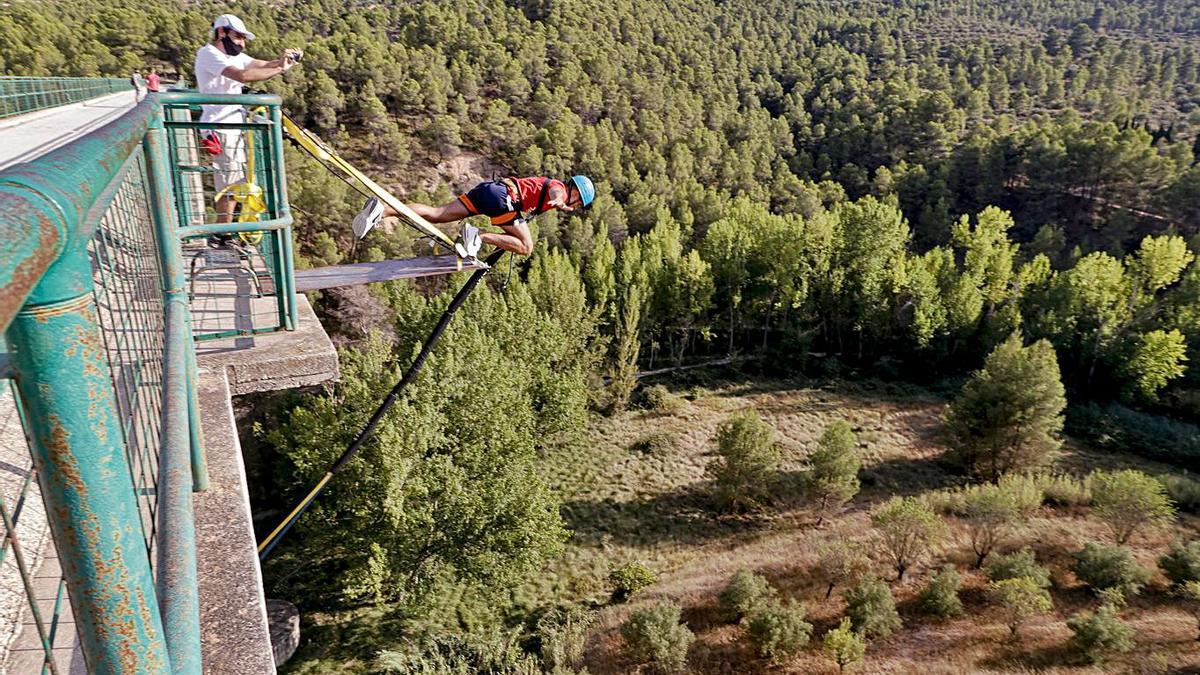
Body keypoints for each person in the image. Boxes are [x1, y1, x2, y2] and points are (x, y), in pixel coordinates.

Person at [194, 14, 301, 226]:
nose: (242, 43)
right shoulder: (209, 54)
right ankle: (223, 234)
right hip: (220, 128)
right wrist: (279, 68)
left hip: (231, 127)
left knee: (234, 184)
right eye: (238, 37)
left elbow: (260, 64)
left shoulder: (234, 56)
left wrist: (283, 61)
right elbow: (243, 76)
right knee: (229, 186)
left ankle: (227, 231)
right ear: (221, 32)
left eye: (243, 38)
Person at [352, 175, 595, 258]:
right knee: (525, 247)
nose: (575, 205)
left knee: (437, 214)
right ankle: (476, 235)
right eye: (578, 201)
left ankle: (382, 211)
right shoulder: (559, 189)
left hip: (490, 190)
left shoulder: (555, 189)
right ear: (574, 192)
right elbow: (556, 191)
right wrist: (559, 200)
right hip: (504, 198)